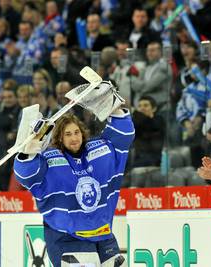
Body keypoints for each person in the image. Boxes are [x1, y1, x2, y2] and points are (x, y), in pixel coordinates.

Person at [13, 100, 134, 266]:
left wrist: (114, 108)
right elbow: (26, 175)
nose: (74, 137)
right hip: (66, 236)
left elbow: (123, 138)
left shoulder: (98, 150)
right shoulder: (49, 159)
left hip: (103, 233)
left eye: (76, 132)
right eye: (68, 134)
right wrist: (28, 150)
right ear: (59, 138)